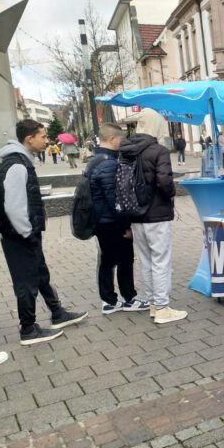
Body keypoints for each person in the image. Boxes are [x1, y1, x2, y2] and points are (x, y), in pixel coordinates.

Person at [0, 120, 88, 345]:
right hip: (19, 235)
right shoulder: (17, 165)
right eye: (43, 136)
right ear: (29, 138)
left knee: (39, 274)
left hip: (25, 233)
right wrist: (27, 233)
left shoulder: (21, 162)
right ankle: (28, 329)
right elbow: (14, 206)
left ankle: (57, 313)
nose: (47, 141)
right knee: (26, 281)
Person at [119, 131, 188, 324]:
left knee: (146, 261)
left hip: (135, 215)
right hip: (157, 214)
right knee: (161, 261)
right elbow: (165, 180)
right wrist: (171, 195)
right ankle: (162, 308)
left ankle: (152, 305)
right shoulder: (159, 150)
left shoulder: (126, 151)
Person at [91, 123, 150, 315]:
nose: (123, 144)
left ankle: (108, 300)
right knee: (124, 259)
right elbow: (115, 199)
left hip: (101, 221)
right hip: (111, 222)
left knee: (107, 260)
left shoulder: (94, 160)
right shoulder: (109, 163)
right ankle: (127, 298)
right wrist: (125, 225)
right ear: (112, 139)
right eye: (121, 140)